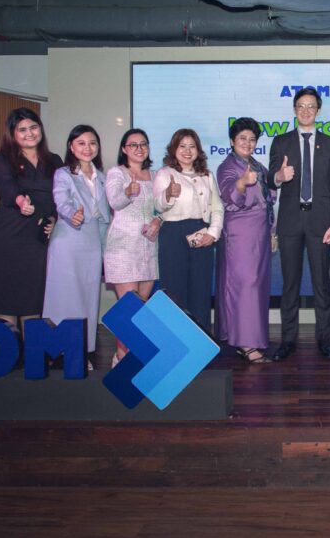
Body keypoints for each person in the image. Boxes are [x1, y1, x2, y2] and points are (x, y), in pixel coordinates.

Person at [267, 88, 330, 361]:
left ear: (318, 110)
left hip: (320, 221)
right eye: (301, 106)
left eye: (311, 106)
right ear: (294, 110)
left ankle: (324, 340)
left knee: (322, 284)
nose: (306, 110)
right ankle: (288, 340)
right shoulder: (281, 142)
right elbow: (270, 178)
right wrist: (279, 175)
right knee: (290, 284)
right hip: (290, 220)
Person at [0, 107, 62, 340]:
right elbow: (8, 188)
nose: (29, 133)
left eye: (33, 127)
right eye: (22, 129)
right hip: (9, 234)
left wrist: (53, 218)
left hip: (37, 237)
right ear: (12, 133)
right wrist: (21, 201)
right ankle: (8, 353)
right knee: (7, 297)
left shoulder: (54, 160)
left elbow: (61, 196)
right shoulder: (2, 158)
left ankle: (32, 354)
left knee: (33, 296)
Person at [43, 125, 110, 371]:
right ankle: (58, 351)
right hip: (68, 240)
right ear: (71, 147)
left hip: (92, 243)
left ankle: (82, 351)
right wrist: (73, 214)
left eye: (92, 143)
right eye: (81, 143)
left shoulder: (103, 177)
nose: (87, 148)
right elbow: (61, 201)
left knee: (88, 298)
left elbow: (105, 217)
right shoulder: (63, 174)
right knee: (64, 296)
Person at [215, 118, 276, 363]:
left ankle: (251, 338)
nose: (248, 143)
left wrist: (278, 179)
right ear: (232, 141)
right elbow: (229, 194)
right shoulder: (227, 166)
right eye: (242, 138)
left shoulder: (257, 165)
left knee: (257, 285)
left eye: (252, 139)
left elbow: (269, 198)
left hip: (260, 233)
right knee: (245, 285)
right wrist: (241, 182)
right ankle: (245, 343)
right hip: (240, 233)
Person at [154, 129, 223, 334]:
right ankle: (174, 341)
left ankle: (201, 342)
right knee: (174, 289)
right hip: (172, 234)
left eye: (192, 146)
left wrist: (212, 233)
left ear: (198, 150)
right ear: (174, 149)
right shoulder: (164, 173)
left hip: (201, 234)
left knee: (201, 289)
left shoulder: (207, 175)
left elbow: (217, 207)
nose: (187, 151)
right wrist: (169, 194)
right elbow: (158, 206)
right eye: (182, 146)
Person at [104, 128, 161, 367]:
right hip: (123, 247)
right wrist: (128, 192)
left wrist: (159, 220)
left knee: (141, 310)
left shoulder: (155, 175)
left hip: (148, 248)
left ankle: (135, 356)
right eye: (133, 145)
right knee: (128, 308)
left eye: (143, 144)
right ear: (124, 149)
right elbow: (114, 201)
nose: (139, 148)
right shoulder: (117, 173)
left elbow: (162, 207)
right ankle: (121, 357)